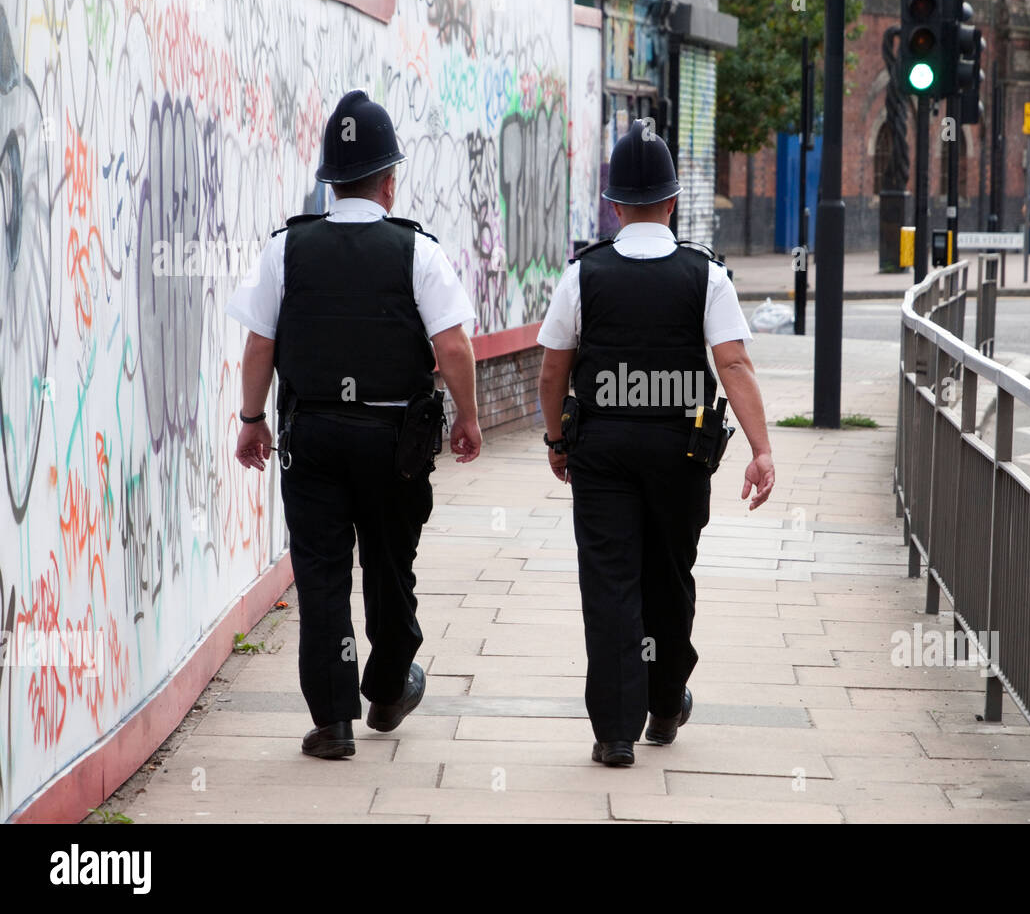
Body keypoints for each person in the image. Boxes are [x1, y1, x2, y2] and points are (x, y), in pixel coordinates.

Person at [227, 90, 482, 759]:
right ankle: (391, 684)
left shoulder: (287, 248)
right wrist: (469, 420)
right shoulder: (416, 251)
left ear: (330, 182)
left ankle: (334, 718)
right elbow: (454, 347)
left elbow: (260, 345)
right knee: (391, 565)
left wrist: (253, 418)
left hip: (310, 437)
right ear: (389, 180)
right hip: (393, 440)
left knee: (322, 573)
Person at [536, 120, 776, 767]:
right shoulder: (707, 276)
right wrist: (761, 449)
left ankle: (615, 730)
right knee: (669, 578)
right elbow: (734, 365)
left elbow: (554, 368)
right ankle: (665, 703)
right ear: (672, 202)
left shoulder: (583, 275)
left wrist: (557, 438)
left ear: (614, 205)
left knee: (610, 581)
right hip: (679, 453)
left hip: (603, 452)